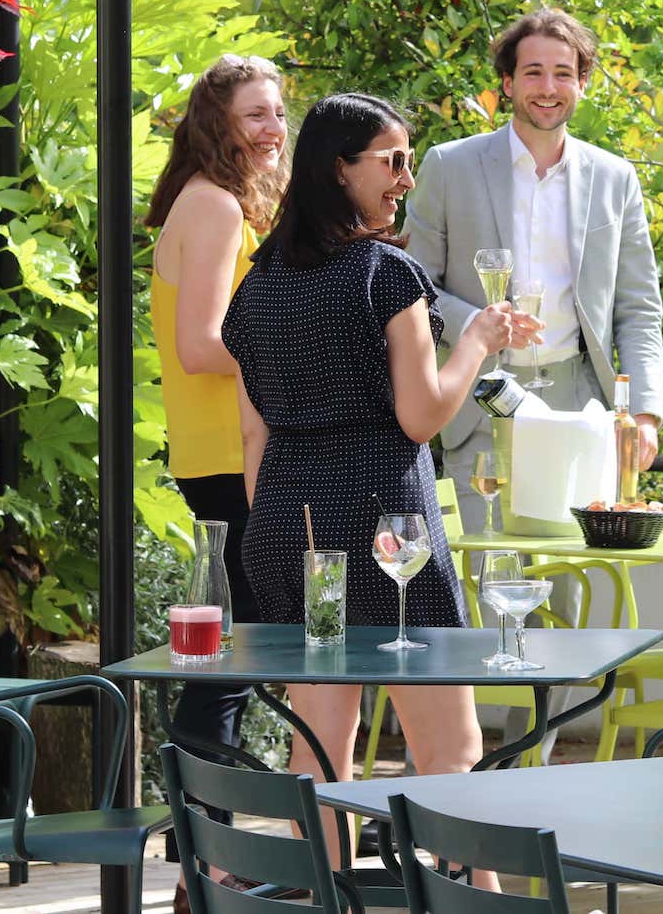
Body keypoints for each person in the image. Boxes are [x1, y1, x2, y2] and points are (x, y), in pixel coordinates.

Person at [223, 92, 539, 855]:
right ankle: (474, 904)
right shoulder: (385, 274)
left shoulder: (258, 286)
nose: (405, 176)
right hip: (390, 535)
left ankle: (324, 899)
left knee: (320, 750)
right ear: (340, 170)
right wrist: (478, 340)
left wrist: (282, 538)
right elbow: (422, 415)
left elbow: (250, 431)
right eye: (391, 160)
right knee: (451, 749)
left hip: (291, 529)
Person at [406, 8, 663, 532]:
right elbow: (415, 290)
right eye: (533, 72)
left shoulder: (616, 179)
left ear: (583, 83)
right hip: (481, 403)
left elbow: (638, 308)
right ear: (507, 82)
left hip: (581, 412)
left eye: (563, 73)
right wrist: (477, 327)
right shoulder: (449, 166)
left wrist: (643, 412)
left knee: (571, 598)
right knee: (487, 582)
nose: (548, 87)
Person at [146, 53, 287, 866]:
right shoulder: (216, 207)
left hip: (217, 452)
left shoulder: (209, 201)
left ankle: (202, 856)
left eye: (278, 113)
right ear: (217, 123)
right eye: (256, 114)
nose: (273, 129)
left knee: (225, 658)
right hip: (226, 456)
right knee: (229, 662)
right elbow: (202, 345)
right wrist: (296, 347)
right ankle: (206, 857)